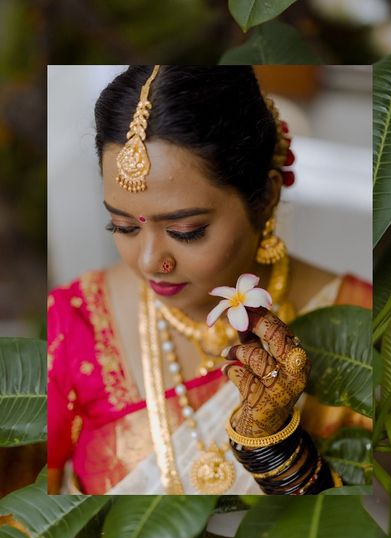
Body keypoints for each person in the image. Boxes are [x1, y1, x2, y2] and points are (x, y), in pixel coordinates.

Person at [47, 65, 372, 495]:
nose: (148, 262)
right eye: (123, 227)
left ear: (267, 197)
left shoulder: (364, 328)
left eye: (186, 231)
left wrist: (273, 448)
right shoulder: (70, 324)